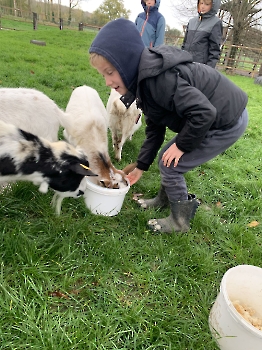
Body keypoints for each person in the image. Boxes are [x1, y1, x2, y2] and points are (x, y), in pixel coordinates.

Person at [89, 18, 248, 234]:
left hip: (226, 120)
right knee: (167, 157)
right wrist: (141, 166)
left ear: (126, 62)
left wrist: (181, 145)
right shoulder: (143, 84)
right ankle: (163, 201)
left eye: (110, 72)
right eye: (103, 75)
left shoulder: (159, 80)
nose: (107, 82)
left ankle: (179, 222)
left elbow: (204, 112)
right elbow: (155, 127)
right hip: (207, 116)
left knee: (172, 164)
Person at [181, 0, 223, 68]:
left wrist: (208, 71)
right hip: (185, 64)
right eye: (201, 3)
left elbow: (214, 51)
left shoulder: (215, 23)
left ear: (213, 5)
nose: (203, 6)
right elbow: (184, 44)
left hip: (200, 68)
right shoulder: (192, 21)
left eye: (207, 4)